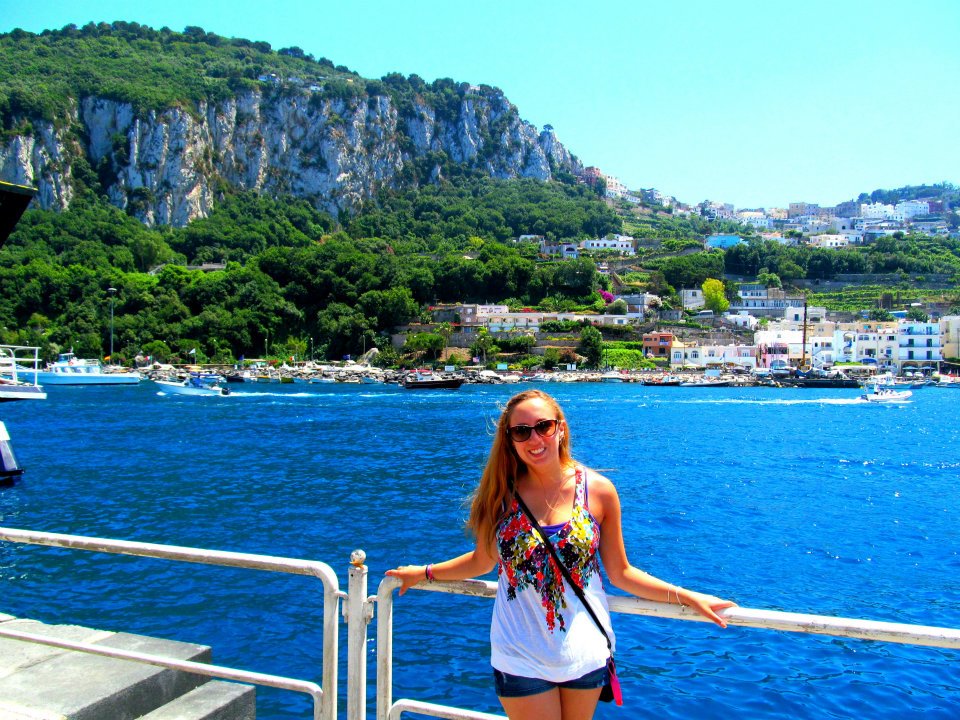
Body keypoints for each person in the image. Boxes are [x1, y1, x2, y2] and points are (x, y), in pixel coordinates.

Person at [387, 389, 735, 720]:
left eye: (544, 426)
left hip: (584, 653)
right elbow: (482, 560)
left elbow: (621, 572)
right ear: (509, 440)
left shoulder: (598, 491)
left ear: (561, 428)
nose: (534, 439)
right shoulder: (499, 495)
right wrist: (425, 572)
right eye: (521, 431)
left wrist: (687, 597)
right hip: (518, 654)